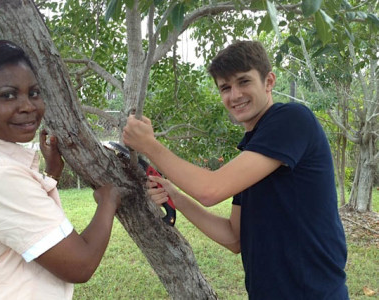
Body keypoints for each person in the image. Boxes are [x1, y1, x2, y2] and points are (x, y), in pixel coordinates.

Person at [123, 40, 348, 299]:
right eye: (225, 87)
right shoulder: (253, 154)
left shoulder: (292, 120)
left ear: (269, 81)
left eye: (244, 82)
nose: (235, 95)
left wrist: (149, 145)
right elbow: (233, 238)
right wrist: (175, 196)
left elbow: (210, 190)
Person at [0, 40, 121, 299]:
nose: (28, 106)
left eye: (33, 93)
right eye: (8, 95)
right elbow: (80, 264)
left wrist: (50, 174)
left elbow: (13, 221)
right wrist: (108, 200)